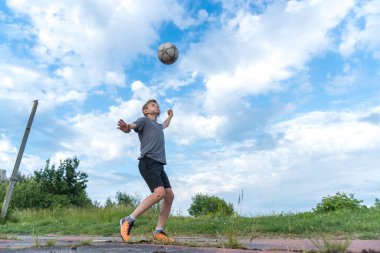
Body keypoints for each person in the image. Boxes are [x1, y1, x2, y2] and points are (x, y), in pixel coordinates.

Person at [117, 99, 174, 243]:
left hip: (159, 164)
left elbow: (165, 125)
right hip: (148, 161)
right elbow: (131, 126)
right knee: (159, 193)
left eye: (157, 105)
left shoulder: (158, 126)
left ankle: (158, 231)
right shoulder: (144, 120)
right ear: (146, 111)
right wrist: (126, 127)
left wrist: (170, 116)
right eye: (153, 105)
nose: (157, 106)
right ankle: (127, 220)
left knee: (169, 195)